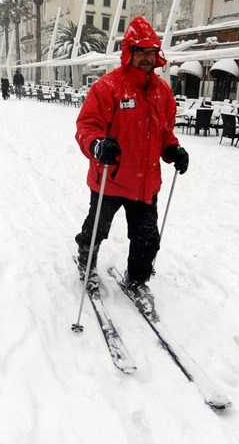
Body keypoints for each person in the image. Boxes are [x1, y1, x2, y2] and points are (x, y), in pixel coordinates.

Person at [74, 16, 189, 309]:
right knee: (95, 230)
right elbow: (87, 126)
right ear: (129, 53)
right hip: (110, 179)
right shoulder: (108, 87)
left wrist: (173, 150)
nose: (146, 59)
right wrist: (98, 144)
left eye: (151, 52)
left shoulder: (163, 92)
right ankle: (86, 265)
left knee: (148, 239)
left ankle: (137, 279)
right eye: (140, 52)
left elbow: (164, 132)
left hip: (146, 183)